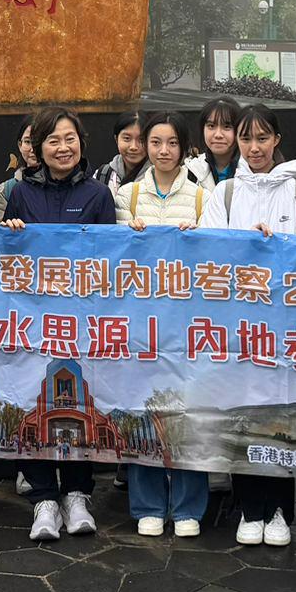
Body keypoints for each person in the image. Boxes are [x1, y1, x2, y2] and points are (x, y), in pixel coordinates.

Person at [3, 107, 117, 541]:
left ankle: (77, 495)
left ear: (81, 143)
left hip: (81, 320)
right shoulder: (21, 194)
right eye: (53, 140)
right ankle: (44, 498)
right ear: (38, 148)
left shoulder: (98, 196)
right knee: (34, 400)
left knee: (79, 403)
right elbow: (9, 260)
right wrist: (9, 231)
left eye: (70, 139)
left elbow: (109, 262)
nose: (62, 147)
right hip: (33, 319)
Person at [201, 105, 296, 545]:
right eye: (247, 139)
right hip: (237, 328)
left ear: (277, 139)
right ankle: (249, 508)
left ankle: (281, 509)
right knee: (242, 417)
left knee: (280, 417)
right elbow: (208, 258)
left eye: (263, 138)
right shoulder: (224, 194)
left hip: (284, 328)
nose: (254, 147)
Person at [115, 112, 211, 537]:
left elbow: (219, 261)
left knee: (189, 411)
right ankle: (148, 503)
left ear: (185, 147)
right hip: (140, 323)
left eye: (172, 143)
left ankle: (189, 505)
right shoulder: (128, 196)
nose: (163, 151)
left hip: (189, 324)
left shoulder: (205, 198)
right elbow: (112, 260)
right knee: (142, 408)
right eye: (155, 142)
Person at [185, 97, 242, 186]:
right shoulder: (190, 171)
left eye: (227, 127)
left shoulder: (252, 170)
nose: (218, 135)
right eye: (211, 126)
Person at [101, 111, 148, 191]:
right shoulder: (103, 175)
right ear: (116, 139)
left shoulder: (159, 177)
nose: (133, 147)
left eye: (141, 140)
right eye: (127, 138)